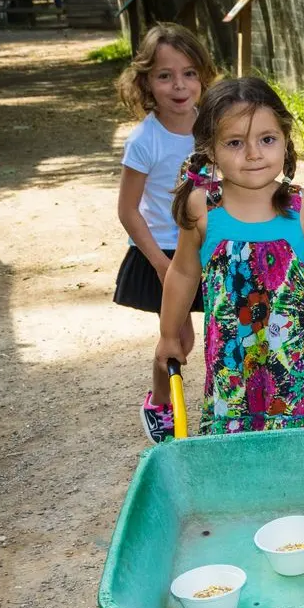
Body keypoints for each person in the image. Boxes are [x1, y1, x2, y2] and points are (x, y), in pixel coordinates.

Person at [155, 77, 304, 434]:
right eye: (236, 142)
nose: (254, 153)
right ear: (210, 149)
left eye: (267, 139)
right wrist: (168, 335)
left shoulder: (302, 207)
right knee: (237, 454)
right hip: (232, 367)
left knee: (303, 444)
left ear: (285, 141)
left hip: (297, 364)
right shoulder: (204, 209)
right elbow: (182, 273)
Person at [112, 23, 219, 441]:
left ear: (203, 77)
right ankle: (159, 403)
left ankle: (235, 404)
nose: (179, 85)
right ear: (146, 83)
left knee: (229, 327)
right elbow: (127, 211)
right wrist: (161, 263)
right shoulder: (144, 141)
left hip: (210, 246)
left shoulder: (214, 127)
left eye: (189, 73)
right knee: (178, 338)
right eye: (165, 76)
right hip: (165, 252)